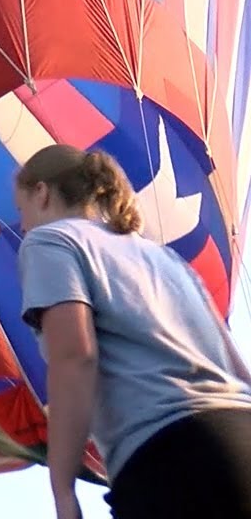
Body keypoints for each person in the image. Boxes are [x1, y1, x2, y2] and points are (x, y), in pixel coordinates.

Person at [13, 144, 251, 519]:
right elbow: (237, 370)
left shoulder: (50, 240)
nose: (22, 225)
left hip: (173, 460)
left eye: (20, 209)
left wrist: (63, 490)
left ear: (41, 193)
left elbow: (75, 356)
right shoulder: (166, 257)